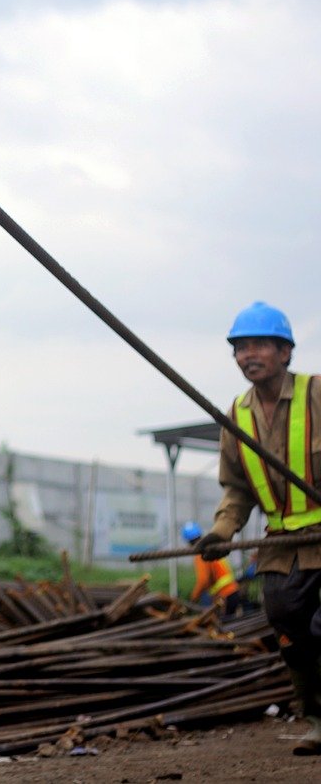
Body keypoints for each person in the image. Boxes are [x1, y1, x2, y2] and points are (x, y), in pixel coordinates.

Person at [194, 301, 321, 756]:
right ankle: (318, 720)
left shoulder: (318, 393)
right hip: (283, 547)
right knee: (290, 629)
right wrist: (220, 534)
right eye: (240, 348)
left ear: (285, 352)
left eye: (260, 345)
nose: (249, 355)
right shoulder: (236, 418)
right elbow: (236, 492)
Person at [181, 521, 241, 615]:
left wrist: (193, 598)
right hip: (232, 592)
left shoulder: (201, 555)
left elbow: (203, 581)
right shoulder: (210, 548)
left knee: (219, 626)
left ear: (188, 542)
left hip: (224, 596)